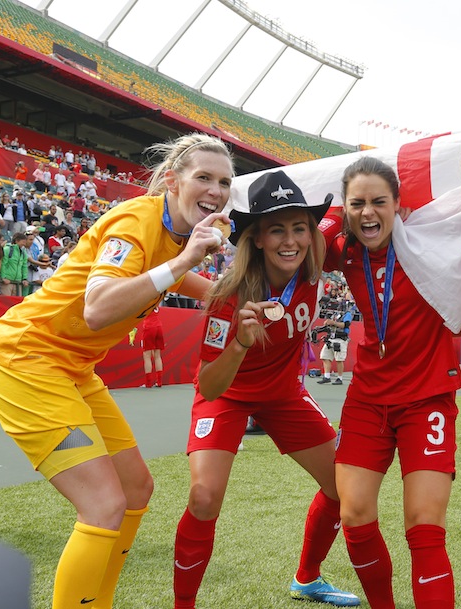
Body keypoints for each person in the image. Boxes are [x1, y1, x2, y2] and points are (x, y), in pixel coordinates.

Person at [0, 132, 231, 609]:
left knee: (136, 489)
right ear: (173, 182)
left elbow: (201, 285)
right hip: (24, 361)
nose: (216, 190)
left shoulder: (175, 233)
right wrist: (184, 260)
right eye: (204, 178)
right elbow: (97, 309)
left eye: (223, 181)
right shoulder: (136, 220)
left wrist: (249, 290)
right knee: (103, 504)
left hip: (73, 369)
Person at [316, 156, 461, 609]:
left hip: (427, 400)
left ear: (399, 205)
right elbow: (300, 244)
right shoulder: (345, 250)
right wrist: (328, 217)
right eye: (357, 203)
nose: (368, 213)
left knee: (424, 526)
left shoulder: (430, 244)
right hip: (367, 398)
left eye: (379, 202)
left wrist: (448, 322)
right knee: (355, 514)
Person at [174, 170, 359, 609]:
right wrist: (239, 342)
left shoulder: (313, 252)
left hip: (283, 393)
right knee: (203, 498)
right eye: (277, 230)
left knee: (343, 486)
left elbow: (344, 206)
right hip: (229, 395)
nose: (291, 240)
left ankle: (308, 579)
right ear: (256, 238)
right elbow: (210, 386)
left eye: (299, 227)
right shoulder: (228, 297)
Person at [316, 302, 353, 386]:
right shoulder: (335, 314)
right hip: (331, 338)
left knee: (339, 359)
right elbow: (331, 326)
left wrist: (333, 323)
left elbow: (345, 325)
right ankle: (327, 376)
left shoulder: (347, 314)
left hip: (341, 339)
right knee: (325, 356)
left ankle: (340, 378)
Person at [138, 307, 165, 388]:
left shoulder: (146, 301)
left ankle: (148, 383)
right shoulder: (156, 301)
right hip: (158, 326)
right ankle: (159, 382)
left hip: (149, 327)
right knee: (157, 355)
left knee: (147, 355)